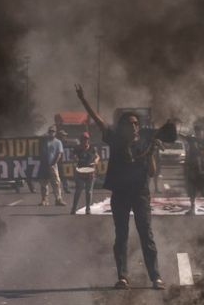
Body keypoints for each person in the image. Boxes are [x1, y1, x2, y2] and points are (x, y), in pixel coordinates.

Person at [75, 84, 164, 290]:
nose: (133, 126)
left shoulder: (144, 143)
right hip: (121, 194)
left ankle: (156, 277)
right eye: (129, 123)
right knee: (121, 235)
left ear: (138, 127)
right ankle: (122, 276)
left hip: (140, 194)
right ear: (122, 127)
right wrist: (83, 100)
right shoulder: (115, 140)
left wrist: (151, 153)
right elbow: (98, 121)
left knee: (146, 234)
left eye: (135, 123)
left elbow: (151, 172)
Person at [184, 124, 204, 215]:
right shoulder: (192, 140)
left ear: (202, 132)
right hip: (194, 169)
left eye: (200, 131)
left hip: (203, 170)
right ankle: (192, 208)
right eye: (197, 132)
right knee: (192, 189)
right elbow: (184, 138)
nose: (199, 133)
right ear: (195, 132)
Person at [70, 131, 100, 214]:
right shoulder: (77, 148)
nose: (85, 141)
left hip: (90, 172)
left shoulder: (92, 148)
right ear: (81, 140)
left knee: (89, 191)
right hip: (80, 171)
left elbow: (97, 156)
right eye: (83, 139)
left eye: (86, 139)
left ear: (88, 140)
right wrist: (74, 157)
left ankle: (88, 208)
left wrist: (96, 161)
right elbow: (71, 155)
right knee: (78, 190)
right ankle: (74, 208)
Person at [39, 125, 66, 206]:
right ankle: (44, 200)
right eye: (50, 131)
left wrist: (53, 163)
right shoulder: (44, 141)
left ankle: (58, 199)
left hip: (53, 165)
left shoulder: (58, 142)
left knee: (56, 183)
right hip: (44, 165)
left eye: (53, 131)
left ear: (55, 133)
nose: (51, 133)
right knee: (44, 183)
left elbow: (59, 154)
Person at [56, 130, 72, 195]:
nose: (65, 137)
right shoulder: (56, 143)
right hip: (57, 162)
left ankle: (66, 188)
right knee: (56, 177)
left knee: (64, 176)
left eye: (65, 136)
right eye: (63, 136)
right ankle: (56, 189)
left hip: (65, 163)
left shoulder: (67, 143)